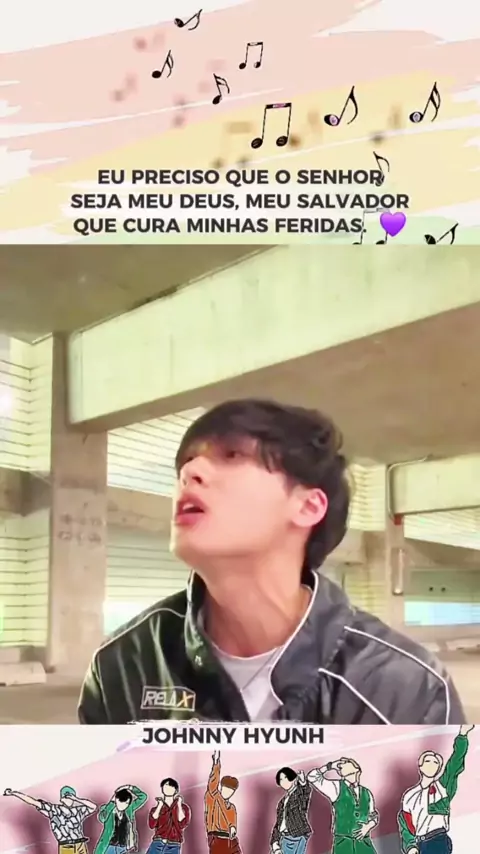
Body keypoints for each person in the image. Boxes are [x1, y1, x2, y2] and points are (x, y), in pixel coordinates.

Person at [78, 399, 466, 724]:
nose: (189, 473)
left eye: (232, 455)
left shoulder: (407, 688)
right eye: (187, 462)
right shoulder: (123, 665)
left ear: (308, 506)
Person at [398, 724, 474, 854]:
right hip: (420, 844)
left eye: (435, 762)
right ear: (420, 766)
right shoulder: (410, 796)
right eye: (428, 761)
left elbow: (455, 764)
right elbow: (405, 824)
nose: (431, 765)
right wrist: (410, 846)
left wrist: (462, 735)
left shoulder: (443, 787)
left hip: (439, 840)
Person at [308, 758, 378, 853]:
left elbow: (373, 815)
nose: (354, 777)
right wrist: (330, 766)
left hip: (363, 842)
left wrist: (368, 826)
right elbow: (312, 777)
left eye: (355, 773)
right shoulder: (336, 788)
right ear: (343, 776)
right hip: (343, 842)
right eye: (349, 775)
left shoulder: (367, 793)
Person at [3, 785, 96, 854]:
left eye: (71, 797)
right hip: (67, 846)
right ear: (61, 799)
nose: (69, 800)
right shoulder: (54, 810)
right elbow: (34, 802)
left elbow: (93, 807)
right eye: (66, 797)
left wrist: (76, 799)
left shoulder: (78, 811)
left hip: (80, 844)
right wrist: (14, 793)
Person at [204, 751, 241, 854]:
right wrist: (216, 763)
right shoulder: (213, 797)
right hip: (217, 838)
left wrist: (233, 828)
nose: (227, 792)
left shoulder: (232, 807)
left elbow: (232, 822)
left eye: (231, 790)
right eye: (226, 788)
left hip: (231, 840)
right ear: (221, 787)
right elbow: (213, 783)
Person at [271, 767, 313, 854]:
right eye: (281, 779)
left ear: (293, 778)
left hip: (297, 837)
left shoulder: (298, 794)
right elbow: (278, 823)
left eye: (286, 778)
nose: (283, 782)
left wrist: (303, 783)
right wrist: (274, 842)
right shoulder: (282, 802)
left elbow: (305, 793)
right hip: (284, 838)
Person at [94, 785, 147, 854]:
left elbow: (143, 797)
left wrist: (129, 787)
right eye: (120, 801)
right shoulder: (107, 808)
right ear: (115, 799)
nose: (123, 805)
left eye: (126, 803)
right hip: (108, 847)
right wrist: (111, 803)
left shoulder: (129, 809)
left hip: (123, 848)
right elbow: (102, 818)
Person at [147, 778, 191, 854]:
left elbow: (182, 823)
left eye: (171, 786)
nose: (168, 788)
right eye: (166, 785)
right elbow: (152, 824)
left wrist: (179, 804)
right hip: (158, 842)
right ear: (162, 788)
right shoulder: (156, 808)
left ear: (176, 790)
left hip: (174, 844)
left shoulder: (184, 807)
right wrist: (159, 806)